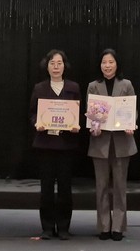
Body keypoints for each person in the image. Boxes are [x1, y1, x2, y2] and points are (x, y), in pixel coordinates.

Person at [29, 49, 81, 240]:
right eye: (52, 63)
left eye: (59, 63)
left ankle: (64, 227)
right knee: (47, 189)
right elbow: (32, 113)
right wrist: (37, 123)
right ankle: (47, 228)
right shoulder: (40, 88)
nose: (56, 67)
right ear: (47, 66)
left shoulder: (73, 87)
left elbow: (78, 112)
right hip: (45, 145)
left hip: (66, 145)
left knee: (65, 188)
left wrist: (76, 125)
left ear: (64, 66)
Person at [87, 48, 137, 241]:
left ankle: (118, 227)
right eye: (104, 62)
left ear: (117, 64)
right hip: (100, 142)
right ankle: (103, 226)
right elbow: (90, 113)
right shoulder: (93, 86)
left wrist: (131, 124)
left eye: (111, 62)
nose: (107, 66)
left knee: (119, 186)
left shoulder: (126, 84)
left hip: (122, 142)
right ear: (99, 65)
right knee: (101, 186)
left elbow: (133, 110)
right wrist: (94, 127)